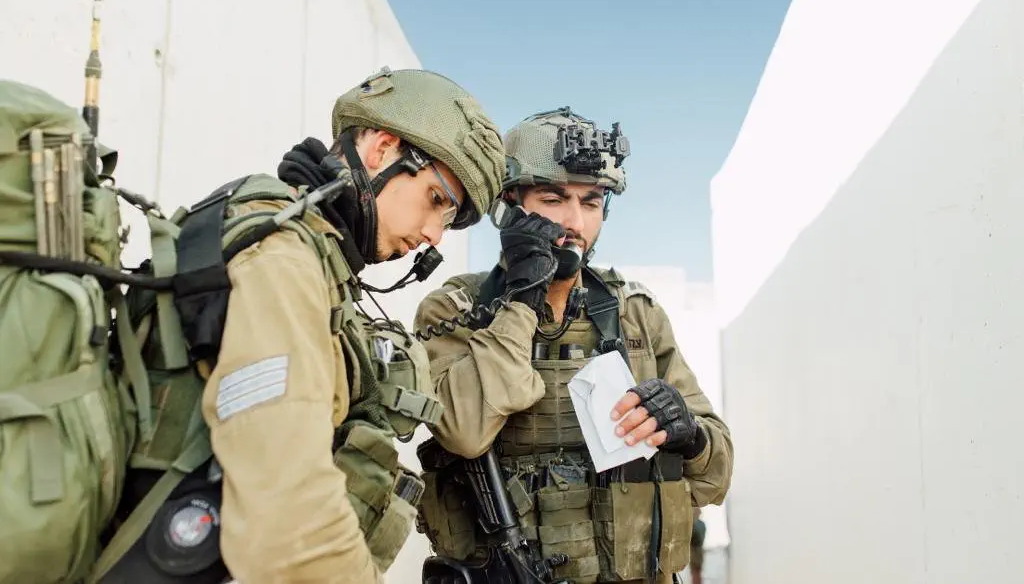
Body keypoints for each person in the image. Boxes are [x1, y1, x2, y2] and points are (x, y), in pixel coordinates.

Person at [91, 67, 507, 584]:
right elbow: (290, 521)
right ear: (382, 150)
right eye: (437, 200)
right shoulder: (284, 256)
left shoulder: (294, 241)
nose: (434, 235)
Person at [413, 106, 733, 584]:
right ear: (509, 205)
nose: (574, 222)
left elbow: (716, 477)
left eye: (591, 202)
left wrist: (689, 434)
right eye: (553, 198)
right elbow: (465, 432)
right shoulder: (455, 310)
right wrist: (522, 301)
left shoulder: (636, 313)